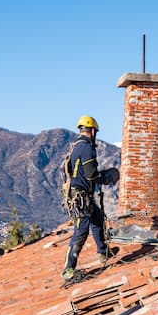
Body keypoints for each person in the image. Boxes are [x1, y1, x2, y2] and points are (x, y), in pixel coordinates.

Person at [61, 115, 119, 282]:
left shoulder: (76, 145)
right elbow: (91, 175)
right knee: (81, 230)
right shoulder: (86, 148)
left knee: (97, 218)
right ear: (93, 131)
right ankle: (68, 270)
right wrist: (105, 178)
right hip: (80, 197)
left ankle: (103, 251)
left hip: (78, 194)